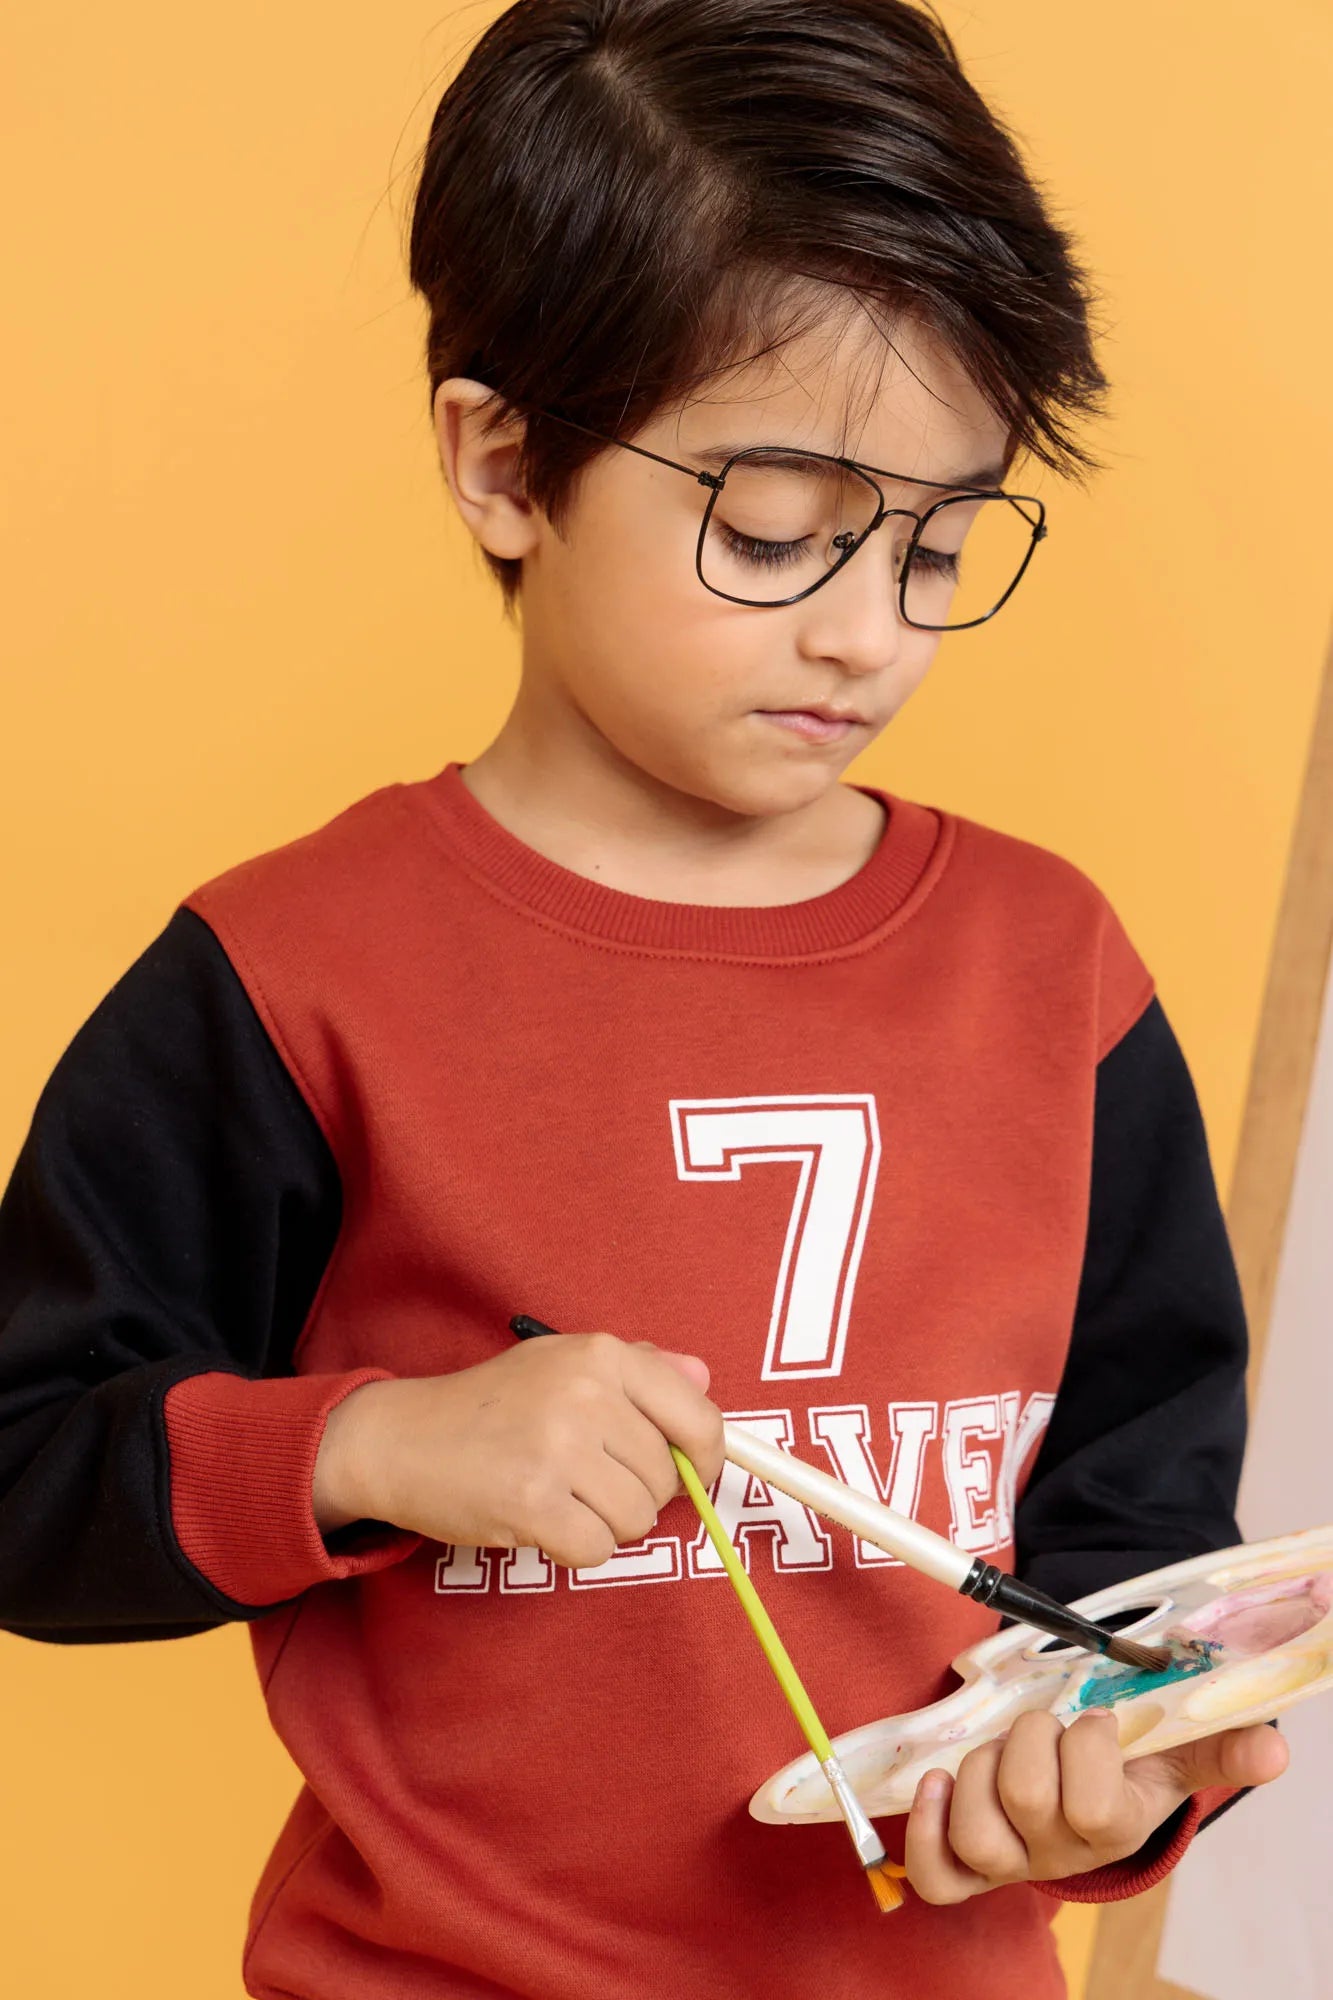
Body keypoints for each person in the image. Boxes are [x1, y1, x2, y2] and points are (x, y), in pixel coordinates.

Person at [0, 2, 1288, 1995]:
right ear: (503, 462)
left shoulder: (1057, 973)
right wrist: (369, 1446)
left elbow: (1141, 1519)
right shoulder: (286, 978)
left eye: (939, 546)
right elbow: (24, 1471)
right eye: (775, 534)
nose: (868, 634)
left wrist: (1111, 1777)